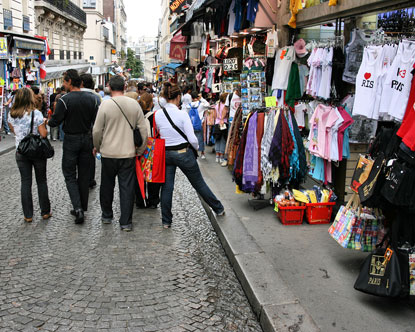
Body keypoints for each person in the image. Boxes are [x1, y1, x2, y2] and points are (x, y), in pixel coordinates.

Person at [155, 82, 224, 229]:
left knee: (167, 187)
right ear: (178, 97)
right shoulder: (182, 114)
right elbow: (192, 139)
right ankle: (218, 208)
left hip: (166, 153)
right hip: (183, 153)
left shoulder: (158, 115)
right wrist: (197, 149)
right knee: (198, 183)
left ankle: (166, 221)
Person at [92, 75, 148, 232]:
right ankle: (126, 222)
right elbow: (143, 130)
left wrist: (97, 146)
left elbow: (97, 131)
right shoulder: (134, 105)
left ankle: (107, 215)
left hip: (109, 153)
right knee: (127, 187)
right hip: (128, 152)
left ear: (109, 87)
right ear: (124, 87)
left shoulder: (105, 105)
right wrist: (140, 150)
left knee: (107, 185)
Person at [48, 69, 99, 224]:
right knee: (84, 174)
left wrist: (48, 120)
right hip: (87, 138)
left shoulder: (65, 100)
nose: (63, 84)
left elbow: (55, 121)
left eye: (64, 81)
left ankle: (77, 208)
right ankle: (82, 207)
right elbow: (96, 122)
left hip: (71, 139)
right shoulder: (93, 98)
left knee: (70, 174)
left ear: (70, 81)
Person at [7, 88, 51, 222]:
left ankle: (28, 215)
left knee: (25, 182)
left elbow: (14, 131)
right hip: (36, 151)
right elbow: (43, 134)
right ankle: (45, 212)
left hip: (21, 151)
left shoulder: (11, 115)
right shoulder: (36, 114)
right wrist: (43, 124)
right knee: (41, 181)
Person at [135, 92, 162, 209]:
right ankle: (153, 200)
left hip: (139, 146)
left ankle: (140, 199)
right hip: (153, 147)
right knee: (153, 176)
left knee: (139, 175)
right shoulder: (155, 116)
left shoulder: (137, 115)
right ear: (151, 104)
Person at [80, 73, 102, 189]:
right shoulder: (96, 97)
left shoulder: (75, 94)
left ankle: (81, 179)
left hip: (78, 132)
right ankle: (90, 178)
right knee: (90, 157)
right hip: (91, 132)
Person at [188, 91, 210, 160]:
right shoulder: (201, 104)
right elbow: (208, 105)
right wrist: (202, 98)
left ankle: (194, 152)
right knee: (200, 138)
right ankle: (202, 153)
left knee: (192, 139)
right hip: (199, 124)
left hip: (191, 125)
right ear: (197, 97)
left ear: (192, 97)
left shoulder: (189, 105)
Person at [214, 93, 229, 164]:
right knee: (223, 139)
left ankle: (217, 155)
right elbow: (226, 115)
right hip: (224, 123)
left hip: (217, 123)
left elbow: (215, 115)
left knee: (217, 139)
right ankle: (221, 156)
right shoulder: (225, 106)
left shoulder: (217, 105)